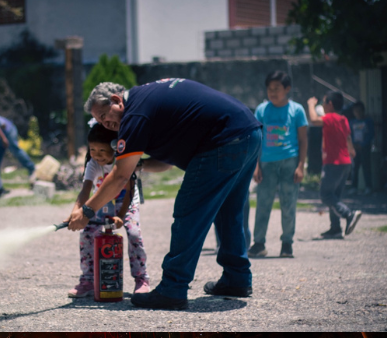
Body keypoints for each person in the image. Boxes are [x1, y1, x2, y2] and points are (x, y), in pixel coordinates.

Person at [74, 79, 262, 310]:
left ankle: (172, 289)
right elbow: (165, 162)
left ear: (116, 100)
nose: (105, 124)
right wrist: (140, 165)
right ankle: (237, 278)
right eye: (100, 120)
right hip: (248, 132)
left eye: (104, 115)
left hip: (222, 140)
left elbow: (120, 176)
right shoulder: (145, 102)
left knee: (189, 213)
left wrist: (87, 210)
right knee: (228, 210)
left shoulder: (135, 114)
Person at [68, 123, 150, 298]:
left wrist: (120, 216)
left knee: (134, 234)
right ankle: (88, 280)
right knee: (87, 233)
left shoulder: (123, 162)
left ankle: (141, 279)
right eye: (92, 150)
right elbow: (85, 190)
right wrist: (76, 211)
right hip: (103, 202)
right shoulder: (92, 164)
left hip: (126, 202)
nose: (97, 155)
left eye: (102, 151)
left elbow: (129, 191)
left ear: (114, 148)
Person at [249, 71, 307, 259]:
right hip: (267, 163)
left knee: (288, 204)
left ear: (287, 89)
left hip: (290, 162)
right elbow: (257, 139)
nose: (272, 92)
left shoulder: (297, 110)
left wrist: (301, 166)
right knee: (263, 203)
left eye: (277, 88)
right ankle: (259, 243)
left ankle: (287, 244)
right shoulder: (261, 110)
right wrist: (256, 166)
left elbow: (303, 140)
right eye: (269, 89)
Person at [304, 91, 362, 238]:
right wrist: (351, 150)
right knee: (335, 196)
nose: (322, 106)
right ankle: (335, 228)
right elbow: (348, 137)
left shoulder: (330, 117)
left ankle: (349, 214)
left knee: (325, 195)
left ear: (330, 104)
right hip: (346, 162)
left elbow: (313, 120)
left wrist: (310, 105)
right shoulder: (343, 119)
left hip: (334, 162)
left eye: (323, 103)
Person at [348, 102, 374, 195]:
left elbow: (371, 134)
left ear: (363, 111)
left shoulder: (368, 121)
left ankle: (368, 187)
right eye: (355, 111)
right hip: (354, 148)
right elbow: (349, 135)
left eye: (359, 111)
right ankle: (354, 187)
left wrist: (363, 144)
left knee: (366, 166)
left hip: (365, 147)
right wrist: (352, 145)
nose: (357, 113)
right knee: (355, 167)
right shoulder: (352, 122)